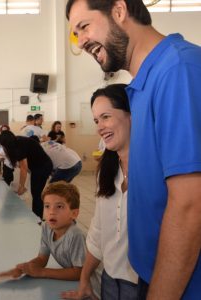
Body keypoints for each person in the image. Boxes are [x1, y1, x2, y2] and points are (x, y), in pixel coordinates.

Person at [66, 1, 201, 298]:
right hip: (151, 273)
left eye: (84, 27)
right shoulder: (142, 86)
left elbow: (190, 206)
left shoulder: (178, 70)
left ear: (118, 11)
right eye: (76, 34)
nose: (81, 41)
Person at [62, 84, 138, 300]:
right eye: (96, 120)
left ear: (132, 114)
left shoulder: (156, 172)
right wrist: (85, 279)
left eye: (106, 117)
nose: (100, 127)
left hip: (147, 283)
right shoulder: (107, 172)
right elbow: (98, 230)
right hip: (111, 280)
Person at [0, 181, 86, 281]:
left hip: (93, 286)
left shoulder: (75, 235)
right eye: (47, 206)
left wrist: (42, 272)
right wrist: (24, 269)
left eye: (59, 206)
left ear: (74, 213)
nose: (51, 212)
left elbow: (79, 273)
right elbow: (42, 259)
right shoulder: (47, 227)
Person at [0, 130, 53, 219]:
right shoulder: (17, 142)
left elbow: (24, 168)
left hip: (43, 167)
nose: (4, 148)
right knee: (35, 192)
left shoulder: (19, 146)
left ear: (8, 143)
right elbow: (23, 166)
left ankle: (37, 219)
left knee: (36, 194)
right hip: (37, 167)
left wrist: (21, 186)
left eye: (4, 145)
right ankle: (37, 216)